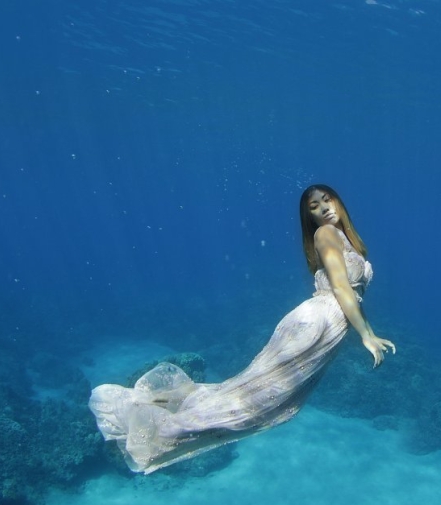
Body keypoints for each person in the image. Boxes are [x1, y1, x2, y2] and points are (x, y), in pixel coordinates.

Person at [88, 184, 395, 474]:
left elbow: (351, 293)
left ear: (338, 200)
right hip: (315, 323)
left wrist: (365, 328)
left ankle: (161, 409)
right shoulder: (326, 234)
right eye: (314, 207)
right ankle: (160, 427)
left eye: (327, 199)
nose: (324, 208)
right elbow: (341, 287)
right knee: (257, 399)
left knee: (261, 397)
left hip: (326, 328)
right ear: (310, 218)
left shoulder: (345, 239)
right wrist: (366, 334)